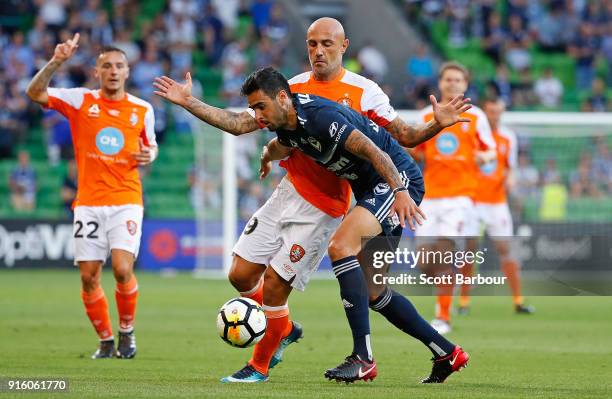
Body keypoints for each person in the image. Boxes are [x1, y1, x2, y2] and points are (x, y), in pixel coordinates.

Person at [155, 17, 471, 384]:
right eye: (311, 44)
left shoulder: (342, 103)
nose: (318, 51)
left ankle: (362, 358)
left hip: (392, 182)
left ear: (344, 46)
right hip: (357, 188)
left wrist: (403, 184)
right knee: (373, 291)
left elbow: (385, 146)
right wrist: (266, 151)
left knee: (341, 247)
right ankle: (448, 352)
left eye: (326, 43)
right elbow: (265, 131)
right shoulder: (290, 95)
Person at [26, 33, 158, 359]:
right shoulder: (80, 100)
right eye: (106, 66)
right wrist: (57, 61)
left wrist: (149, 155)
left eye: (119, 66)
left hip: (126, 199)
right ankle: (105, 340)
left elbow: (151, 146)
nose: (113, 71)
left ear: (128, 71)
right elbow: (34, 92)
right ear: (96, 72)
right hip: (88, 203)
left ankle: (127, 333)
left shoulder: (142, 109)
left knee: (123, 269)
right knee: (88, 276)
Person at [414, 61, 496, 335]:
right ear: (440, 83)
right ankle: (448, 292)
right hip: (431, 196)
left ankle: (443, 316)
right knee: (425, 262)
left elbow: (491, 152)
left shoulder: (477, 117)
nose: (452, 84)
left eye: (458, 80)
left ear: (465, 84)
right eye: (448, 79)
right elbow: (415, 150)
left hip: (461, 198)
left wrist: (482, 156)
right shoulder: (427, 115)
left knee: (445, 253)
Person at [458, 97, 534, 314]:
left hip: (496, 202)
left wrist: (511, 178)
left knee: (505, 249)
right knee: (468, 250)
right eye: (491, 111)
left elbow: (510, 168)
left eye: (499, 111)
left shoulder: (508, 137)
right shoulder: (472, 133)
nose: (495, 115)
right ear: (485, 112)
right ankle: (463, 302)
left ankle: (518, 300)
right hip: (471, 200)